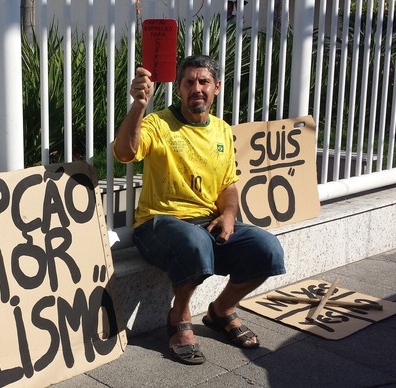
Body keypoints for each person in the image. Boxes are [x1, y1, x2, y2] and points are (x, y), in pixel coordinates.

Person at [113, 55, 285, 365]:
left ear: (217, 87)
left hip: (206, 224)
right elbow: (125, 152)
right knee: (196, 242)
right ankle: (178, 317)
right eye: (189, 82)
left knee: (268, 249)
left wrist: (229, 214)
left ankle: (221, 310)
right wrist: (139, 105)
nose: (197, 88)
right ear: (178, 88)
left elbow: (228, 186)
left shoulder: (221, 130)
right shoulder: (157, 123)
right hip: (159, 224)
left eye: (204, 81)